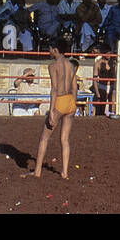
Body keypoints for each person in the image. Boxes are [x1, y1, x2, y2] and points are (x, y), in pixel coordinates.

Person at [33, 38, 77, 178]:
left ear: (55, 50)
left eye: (50, 49)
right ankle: (64, 172)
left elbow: (54, 89)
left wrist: (52, 110)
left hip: (60, 101)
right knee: (65, 139)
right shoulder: (71, 65)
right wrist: (73, 103)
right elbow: (74, 86)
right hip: (70, 101)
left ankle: (37, 171)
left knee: (44, 138)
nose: (49, 51)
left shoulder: (53, 66)